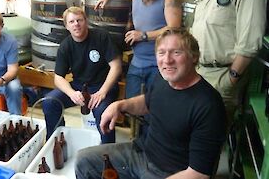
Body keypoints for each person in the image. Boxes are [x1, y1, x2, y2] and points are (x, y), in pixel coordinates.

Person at [75, 28, 227, 179]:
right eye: (161, 53)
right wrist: (120, 105)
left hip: (170, 173)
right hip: (141, 153)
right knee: (83, 161)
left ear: (194, 56)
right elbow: (148, 102)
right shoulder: (163, 79)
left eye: (176, 52)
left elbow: (198, 174)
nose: (167, 60)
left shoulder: (209, 106)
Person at [95, 0, 182, 136]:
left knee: (154, 109)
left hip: (159, 65)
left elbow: (174, 27)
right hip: (137, 63)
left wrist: (143, 35)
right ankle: (136, 143)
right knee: (132, 107)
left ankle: (150, 146)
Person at [192, 0, 268, 124]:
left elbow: (251, 41)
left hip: (222, 78)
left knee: (209, 144)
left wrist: (229, 81)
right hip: (198, 72)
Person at [42, 6, 122, 143]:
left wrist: (102, 92)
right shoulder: (65, 46)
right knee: (50, 102)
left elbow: (116, 66)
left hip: (103, 86)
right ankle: (57, 141)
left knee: (103, 113)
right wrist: (71, 93)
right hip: (79, 87)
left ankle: (108, 153)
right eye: (71, 22)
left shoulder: (101, 37)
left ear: (86, 21)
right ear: (66, 26)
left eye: (79, 20)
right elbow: (58, 77)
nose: (76, 24)